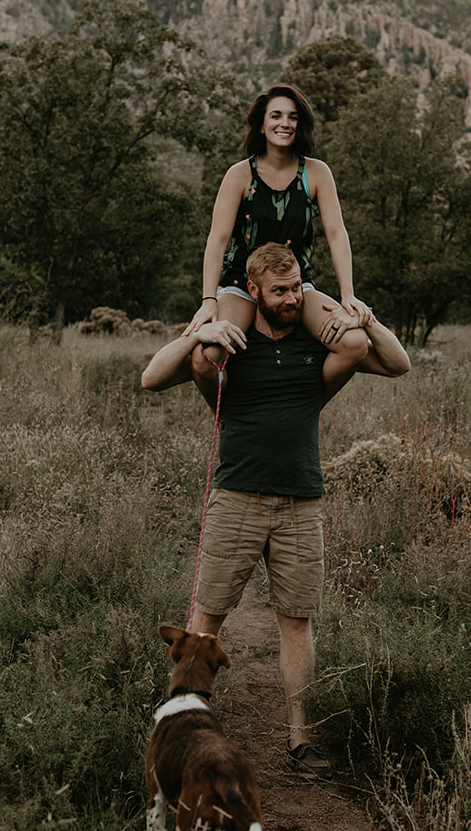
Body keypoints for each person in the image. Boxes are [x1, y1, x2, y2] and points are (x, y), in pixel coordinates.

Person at [142, 242, 411, 776]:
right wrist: (201, 330)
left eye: (297, 289)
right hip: (236, 498)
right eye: (280, 291)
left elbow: (397, 363)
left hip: (300, 502)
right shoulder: (229, 346)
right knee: (205, 622)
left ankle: (299, 741)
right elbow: (151, 377)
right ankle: (184, 735)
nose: (292, 299)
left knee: (296, 623)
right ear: (255, 292)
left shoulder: (319, 345)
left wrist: (366, 317)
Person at [182, 84, 369, 363]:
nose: (285, 123)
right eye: (276, 116)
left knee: (354, 343)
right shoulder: (239, 175)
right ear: (261, 124)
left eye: (293, 117)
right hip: (240, 285)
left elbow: (336, 234)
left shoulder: (317, 173)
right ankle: (227, 409)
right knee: (207, 356)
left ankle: (305, 406)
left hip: (296, 285)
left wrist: (348, 295)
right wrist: (209, 299)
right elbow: (217, 240)